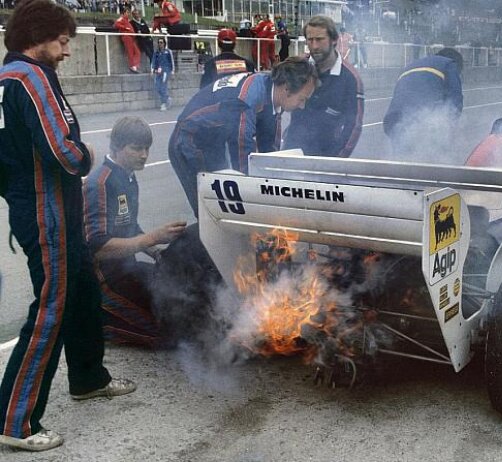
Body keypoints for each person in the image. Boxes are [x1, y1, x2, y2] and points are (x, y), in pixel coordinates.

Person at [0, 0, 135, 452]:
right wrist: (88, 156)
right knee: (50, 309)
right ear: (37, 37)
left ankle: (88, 377)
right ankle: (14, 420)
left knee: (82, 289)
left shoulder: (5, 78)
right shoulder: (30, 76)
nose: (67, 51)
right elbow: (64, 151)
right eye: (62, 41)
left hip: (41, 206)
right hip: (47, 211)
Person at [169, 57, 318, 217]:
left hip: (214, 140)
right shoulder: (248, 99)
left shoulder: (271, 91)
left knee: (226, 206)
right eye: (302, 99)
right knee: (210, 210)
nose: (302, 106)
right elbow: (242, 152)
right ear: (287, 89)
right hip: (188, 139)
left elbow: (270, 152)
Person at [83, 117, 186, 348]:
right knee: (167, 337)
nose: (144, 155)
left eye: (147, 148)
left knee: (182, 308)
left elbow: (131, 229)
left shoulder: (128, 176)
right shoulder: (99, 183)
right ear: (117, 147)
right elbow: (97, 247)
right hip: (104, 281)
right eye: (136, 148)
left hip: (127, 270)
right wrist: (153, 237)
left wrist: (158, 253)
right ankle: (100, 321)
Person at [282, 15, 364, 158]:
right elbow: (276, 103)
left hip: (327, 157)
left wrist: (337, 160)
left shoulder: (350, 78)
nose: (314, 46)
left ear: (334, 40)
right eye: (310, 40)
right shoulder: (297, 66)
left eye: (319, 39)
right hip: (292, 153)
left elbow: (353, 126)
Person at [382, 47, 464, 163]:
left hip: (394, 120)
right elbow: (455, 100)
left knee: (403, 165)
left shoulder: (411, 66)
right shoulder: (449, 64)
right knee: (431, 163)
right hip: (422, 120)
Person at [114, 7, 141, 73]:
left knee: (137, 52)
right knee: (130, 52)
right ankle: (132, 66)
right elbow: (116, 24)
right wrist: (125, 28)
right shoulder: (122, 18)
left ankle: (135, 66)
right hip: (126, 37)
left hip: (131, 37)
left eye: (129, 12)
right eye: (127, 12)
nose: (129, 14)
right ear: (124, 13)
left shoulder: (127, 20)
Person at [151, 37, 174, 111]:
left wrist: (172, 70)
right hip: (158, 72)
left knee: (163, 87)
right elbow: (153, 61)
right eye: (159, 43)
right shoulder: (156, 52)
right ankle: (167, 98)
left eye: (161, 42)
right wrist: (152, 70)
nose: (160, 44)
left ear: (164, 43)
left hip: (165, 71)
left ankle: (163, 103)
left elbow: (171, 61)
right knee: (157, 87)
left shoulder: (168, 52)